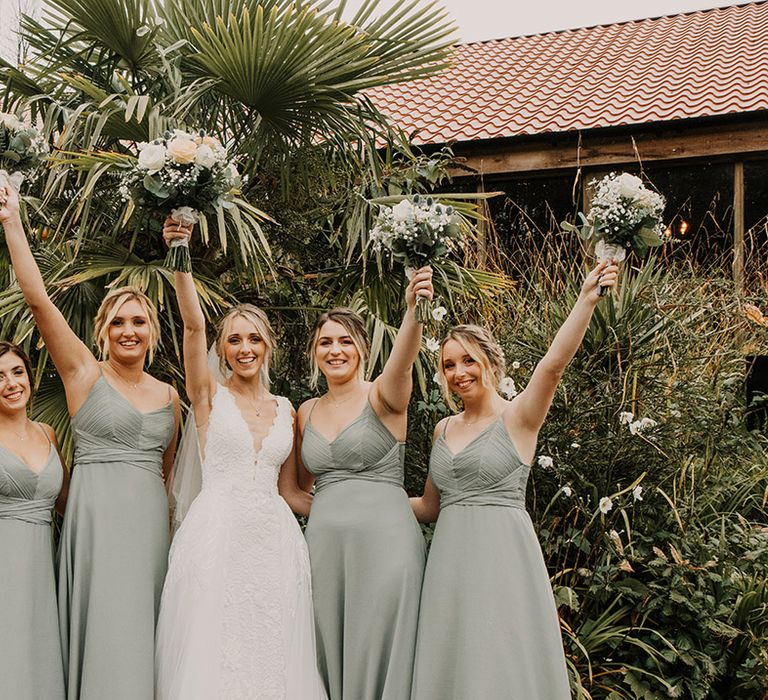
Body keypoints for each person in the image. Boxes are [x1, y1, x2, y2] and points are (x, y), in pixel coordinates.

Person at [0, 182, 180, 700]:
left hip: (148, 527)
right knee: (103, 629)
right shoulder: (84, 373)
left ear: (152, 331)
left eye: (139, 321)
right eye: (118, 322)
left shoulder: (170, 396)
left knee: (144, 633)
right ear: (102, 330)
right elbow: (37, 298)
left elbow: (165, 473)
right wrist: (12, 221)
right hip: (95, 523)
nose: (129, 330)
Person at [410, 261, 619, 699]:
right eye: (449, 365)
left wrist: (586, 300)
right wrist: (364, 497)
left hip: (503, 559)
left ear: (490, 361)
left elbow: (553, 366)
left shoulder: (519, 418)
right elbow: (429, 507)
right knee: (456, 661)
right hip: (449, 563)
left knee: (501, 658)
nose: (459, 372)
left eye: (469, 360)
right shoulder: (442, 429)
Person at [155, 220, 327, 699]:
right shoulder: (208, 397)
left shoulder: (288, 410)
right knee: (215, 650)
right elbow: (193, 325)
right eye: (234, 340)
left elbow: (292, 491)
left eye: (253, 339)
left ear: (267, 344)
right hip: (215, 536)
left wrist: (353, 505)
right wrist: (181, 253)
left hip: (274, 542)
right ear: (223, 350)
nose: (244, 348)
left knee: (271, 648)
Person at [295, 267, 433, 700]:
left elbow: (403, 361)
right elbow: (295, 490)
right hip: (326, 553)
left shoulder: (383, 397)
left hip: (387, 546)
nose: (335, 351)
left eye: (345, 341)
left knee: (383, 646)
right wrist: (333, 516)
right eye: (325, 342)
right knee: (328, 651)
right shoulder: (304, 412)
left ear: (362, 348)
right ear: (315, 353)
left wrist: (414, 310)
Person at [0, 341, 69, 700]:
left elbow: (67, 504)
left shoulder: (48, 433)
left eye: (17, 372)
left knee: (39, 664)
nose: (11, 383)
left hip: (44, 571)